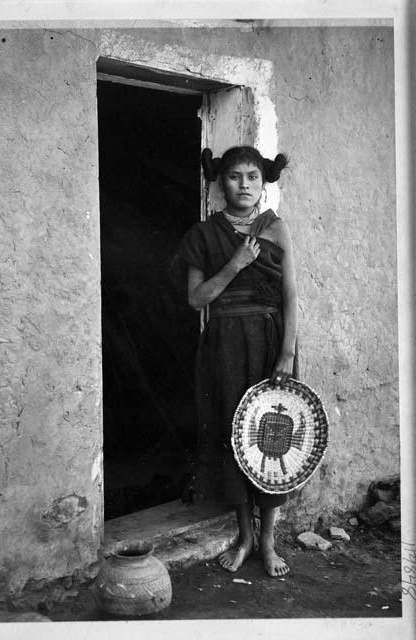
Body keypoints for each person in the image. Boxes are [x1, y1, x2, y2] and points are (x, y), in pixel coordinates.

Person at [175, 146, 298, 577]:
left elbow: (290, 295)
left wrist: (287, 350)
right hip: (224, 344)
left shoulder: (275, 228)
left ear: (263, 182)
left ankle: (268, 541)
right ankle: (245, 537)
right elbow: (196, 299)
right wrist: (234, 264)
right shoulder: (203, 234)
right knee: (234, 438)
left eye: (252, 177)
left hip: (268, 342)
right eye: (233, 176)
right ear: (219, 181)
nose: (243, 185)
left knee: (271, 439)